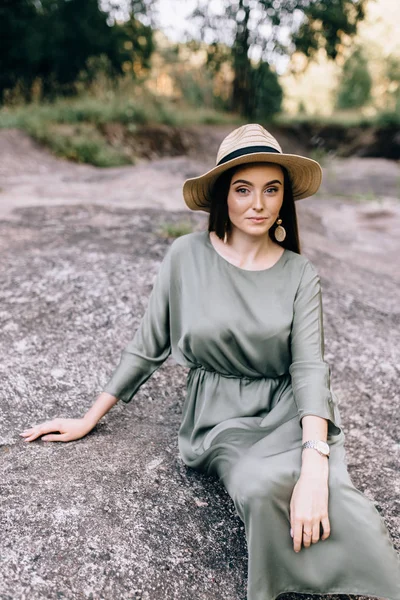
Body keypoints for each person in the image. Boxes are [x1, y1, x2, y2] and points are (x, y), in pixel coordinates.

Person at [20, 124, 400, 600]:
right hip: (220, 420)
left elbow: (307, 368)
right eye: (243, 189)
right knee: (261, 489)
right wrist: (87, 418)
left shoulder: (301, 273)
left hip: (287, 409)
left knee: (337, 498)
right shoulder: (186, 255)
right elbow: (148, 344)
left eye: (272, 189)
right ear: (223, 194)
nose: (258, 204)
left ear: (285, 199)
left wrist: (316, 461)